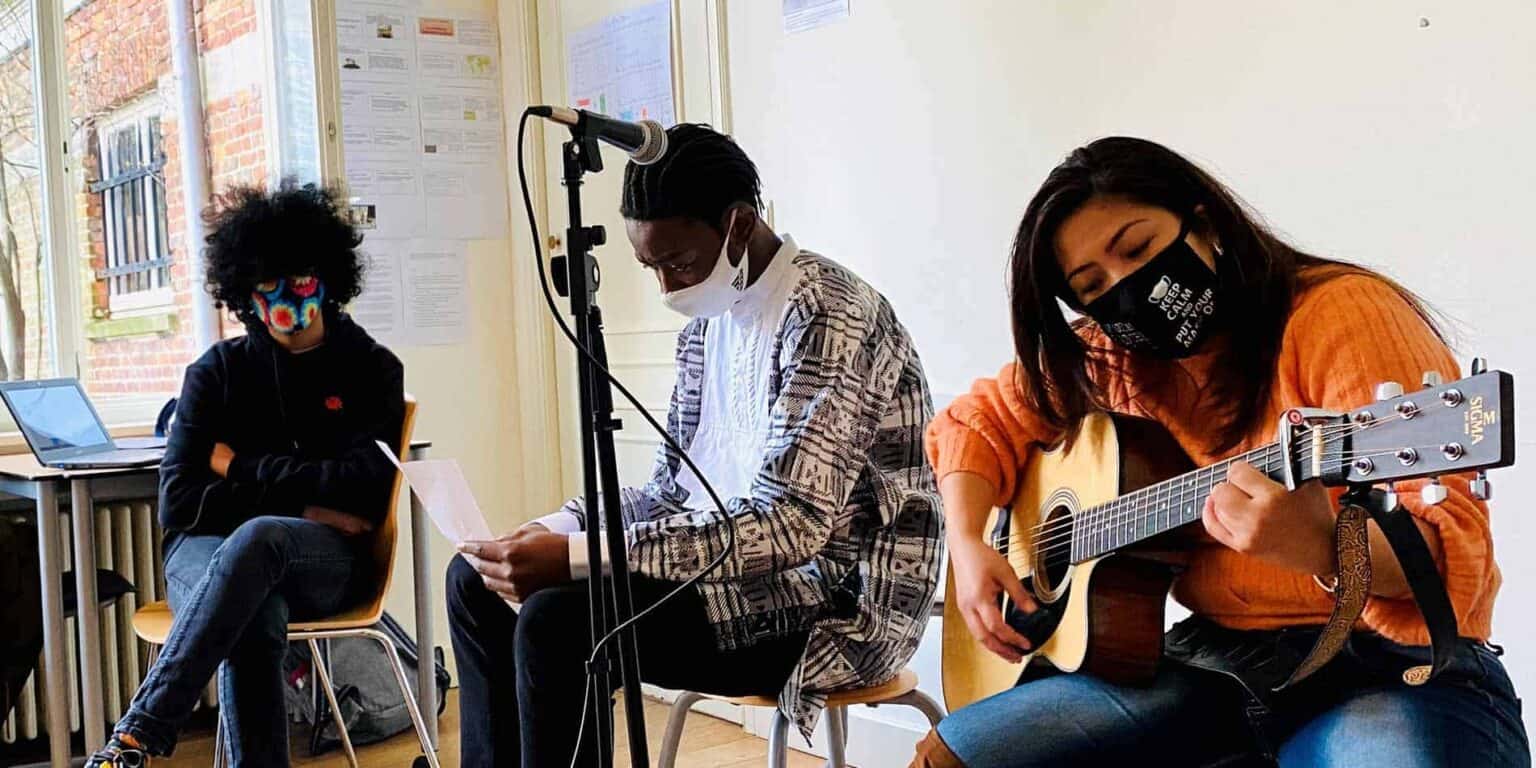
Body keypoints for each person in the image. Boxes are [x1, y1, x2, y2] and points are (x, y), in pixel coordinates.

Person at [914, 137, 1528, 768]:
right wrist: (969, 540)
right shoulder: (1113, 356)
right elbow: (975, 420)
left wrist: (1324, 547)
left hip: (1390, 665)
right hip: (1216, 663)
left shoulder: (1343, 314)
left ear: (1204, 225)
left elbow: (1446, 561)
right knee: (955, 756)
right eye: (1092, 285)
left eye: (1138, 248)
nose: (1125, 286)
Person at [447, 123, 944, 766]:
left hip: (836, 599)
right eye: (649, 268)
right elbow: (668, 491)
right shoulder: (705, 325)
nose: (666, 288)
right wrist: (555, 527)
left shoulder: (830, 312)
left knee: (557, 620)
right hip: (727, 574)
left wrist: (576, 556)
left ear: (738, 225)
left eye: (677, 263)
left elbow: (791, 527)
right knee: (474, 582)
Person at [88, 183, 405, 767]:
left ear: (328, 278)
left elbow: (364, 490)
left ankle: (138, 733)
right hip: (204, 551)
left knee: (261, 537)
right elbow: (180, 503)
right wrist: (305, 503)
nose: (287, 298)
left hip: (325, 560)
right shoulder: (215, 373)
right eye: (268, 286)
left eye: (300, 279)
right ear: (245, 295)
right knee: (255, 607)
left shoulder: (372, 370)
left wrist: (239, 467)